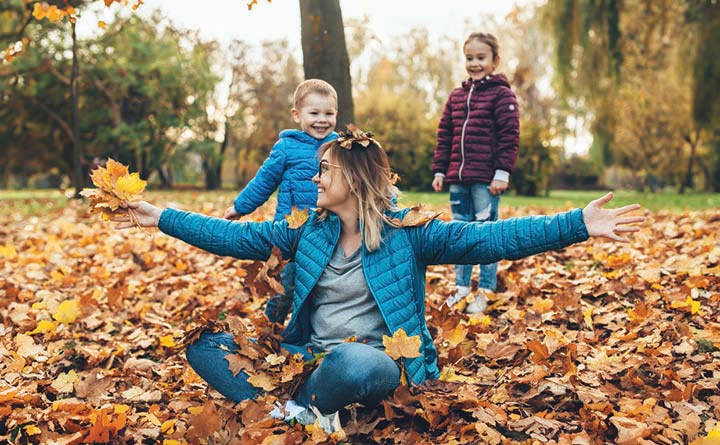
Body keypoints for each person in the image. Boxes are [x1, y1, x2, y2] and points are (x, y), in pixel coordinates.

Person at [115, 126, 643, 427]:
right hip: (305, 362)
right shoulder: (307, 229)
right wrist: (158, 216)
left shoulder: (409, 232)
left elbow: (493, 238)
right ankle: (298, 411)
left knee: (358, 359)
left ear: (354, 177)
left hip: (375, 368)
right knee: (204, 344)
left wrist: (579, 224)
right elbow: (232, 238)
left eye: (324, 170)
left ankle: (293, 413)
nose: (314, 177)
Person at [223, 79, 338, 323]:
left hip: (328, 232)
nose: (322, 120)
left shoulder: (339, 148)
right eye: (314, 113)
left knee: (321, 289)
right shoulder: (287, 147)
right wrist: (240, 207)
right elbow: (264, 181)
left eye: (329, 113)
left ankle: (310, 335)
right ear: (297, 115)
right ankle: (270, 329)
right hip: (290, 234)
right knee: (285, 288)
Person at [432, 32, 520, 314]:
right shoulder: (457, 96)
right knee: (460, 233)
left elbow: (509, 136)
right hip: (458, 179)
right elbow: (444, 135)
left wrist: (502, 172)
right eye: (469, 58)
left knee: (486, 234)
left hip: (486, 180)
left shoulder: (502, 95)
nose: (474, 63)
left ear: (495, 61)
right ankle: (460, 287)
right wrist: (439, 170)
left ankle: (486, 288)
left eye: (480, 58)